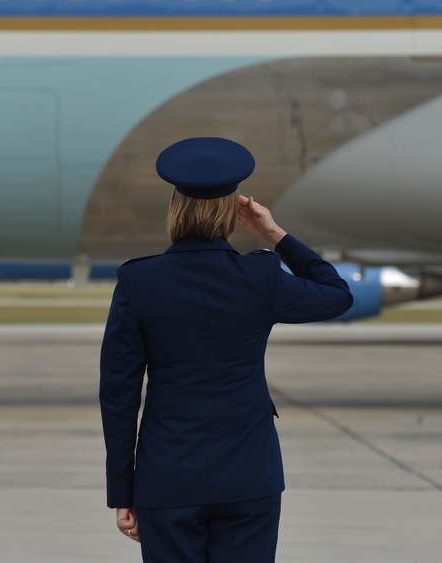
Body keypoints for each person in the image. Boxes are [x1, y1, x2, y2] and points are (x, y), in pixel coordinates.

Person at [100, 137, 354, 562]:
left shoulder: (138, 282)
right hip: (249, 477)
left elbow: (119, 395)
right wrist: (275, 235)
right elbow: (337, 293)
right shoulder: (261, 277)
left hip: (169, 477)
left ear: (176, 207)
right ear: (230, 211)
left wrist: (122, 491)